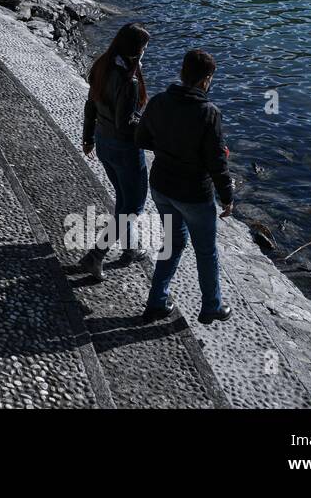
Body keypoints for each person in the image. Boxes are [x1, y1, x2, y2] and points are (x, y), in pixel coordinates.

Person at [135, 48, 235, 324]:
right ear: (206, 80)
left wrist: (170, 147)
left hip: (162, 187)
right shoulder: (209, 113)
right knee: (205, 250)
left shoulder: (158, 102)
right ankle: (211, 306)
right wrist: (227, 196)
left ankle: (156, 301)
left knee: (172, 243)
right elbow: (217, 162)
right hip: (194, 194)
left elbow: (141, 139)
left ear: (182, 72)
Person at [80, 23, 152, 281]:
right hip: (125, 150)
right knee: (132, 206)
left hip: (103, 142)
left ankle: (131, 248)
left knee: (123, 201)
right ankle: (96, 255)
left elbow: (91, 104)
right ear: (135, 49)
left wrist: (87, 137)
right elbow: (126, 123)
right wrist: (154, 132)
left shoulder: (102, 64)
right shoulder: (129, 81)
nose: (145, 52)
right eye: (144, 47)